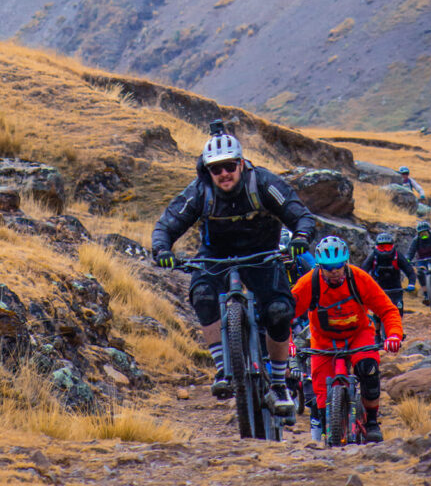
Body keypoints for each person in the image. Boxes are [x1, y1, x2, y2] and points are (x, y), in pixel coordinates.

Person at [151, 120, 315, 416]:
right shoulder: (200, 192)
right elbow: (167, 224)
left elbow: (299, 214)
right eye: (216, 168)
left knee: (278, 312)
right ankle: (222, 369)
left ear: (240, 164)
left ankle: (278, 384)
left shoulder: (263, 183)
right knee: (201, 295)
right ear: (207, 170)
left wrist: (301, 237)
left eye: (229, 166)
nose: (224, 173)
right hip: (216, 257)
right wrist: (162, 249)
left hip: (263, 256)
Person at [291, 236, 403, 443]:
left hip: (359, 334)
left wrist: (394, 334)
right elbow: (285, 314)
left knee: (368, 369)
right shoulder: (308, 283)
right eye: (328, 267)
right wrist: (287, 341)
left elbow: (387, 309)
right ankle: (327, 432)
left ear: (346, 263)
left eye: (338, 266)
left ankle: (371, 422)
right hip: (323, 339)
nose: (334, 272)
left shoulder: (359, 279)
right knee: (321, 394)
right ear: (319, 266)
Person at [360, 232, 416, 315]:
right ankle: (377, 327)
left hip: (395, 288)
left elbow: (409, 271)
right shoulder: (373, 256)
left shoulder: (397, 256)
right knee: (377, 312)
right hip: (377, 287)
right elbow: (362, 273)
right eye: (382, 247)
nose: (385, 250)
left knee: (398, 312)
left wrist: (411, 284)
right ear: (376, 247)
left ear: (393, 246)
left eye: (388, 247)